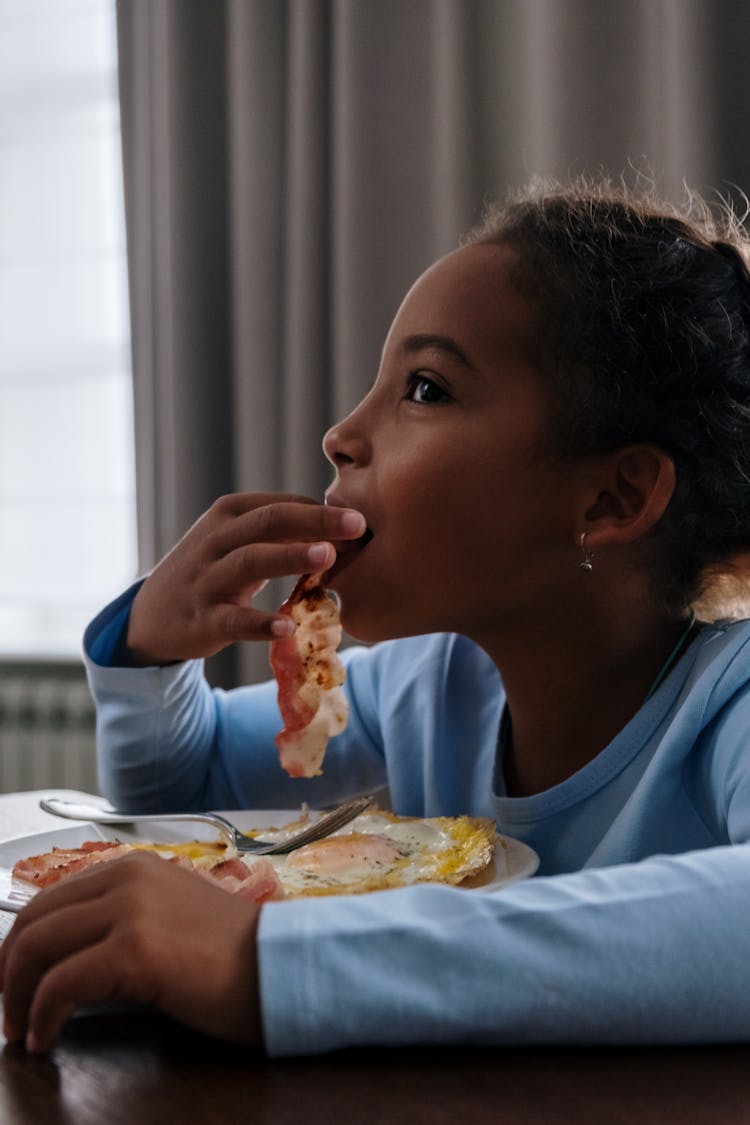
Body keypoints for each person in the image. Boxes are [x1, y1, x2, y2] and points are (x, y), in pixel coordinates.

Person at [3, 176, 750, 1057]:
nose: (340, 433)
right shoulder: (434, 689)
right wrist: (150, 654)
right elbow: (188, 800)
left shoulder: (727, 698)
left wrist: (275, 967)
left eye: (426, 389)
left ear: (612, 495)